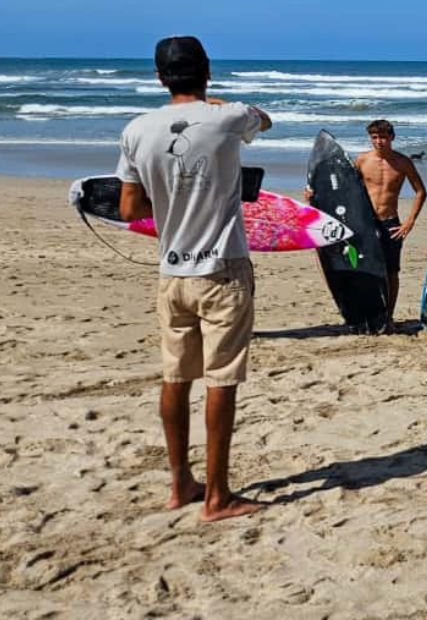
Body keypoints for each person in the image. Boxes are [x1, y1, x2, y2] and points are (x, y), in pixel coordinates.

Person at [116, 36, 271, 522]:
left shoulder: (137, 130)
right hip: (222, 268)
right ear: (207, 72)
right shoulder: (226, 118)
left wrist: (174, 213)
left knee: (176, 376)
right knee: (221, 380)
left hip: (172, 270)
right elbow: (262, 119)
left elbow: (128, 208)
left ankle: (181, 480)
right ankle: (218, 496)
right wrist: (217, 103)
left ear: (159, 77)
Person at [355, 119, 426, 329]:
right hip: (366, 223)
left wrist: (409, 222)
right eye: (375, 137)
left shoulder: (402, 162)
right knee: (366, 271)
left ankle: (389, 316)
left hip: (390, 223)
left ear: (392, 137)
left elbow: (421, 191)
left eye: (383, 137)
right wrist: (313, 194)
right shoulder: (361, 161)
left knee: (391, 272)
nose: (379, 141)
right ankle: (368, 315)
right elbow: (344, 188)